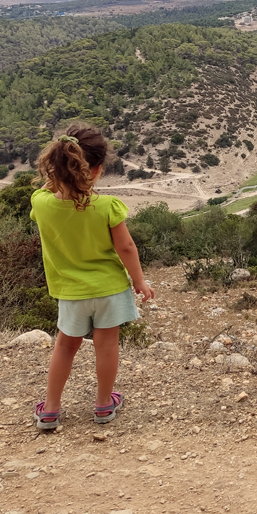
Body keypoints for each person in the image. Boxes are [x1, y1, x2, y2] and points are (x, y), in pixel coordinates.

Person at [30, 125, 155, 430]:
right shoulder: (106, 206)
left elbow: (45, 192)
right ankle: (102, 405)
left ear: (55, 167)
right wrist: (139, 281)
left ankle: (50, 409)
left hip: (71, 292)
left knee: (65, 346)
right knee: (107, 346)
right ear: (97, 170)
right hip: (109, 289)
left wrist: (56, 180)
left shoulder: (41, 204)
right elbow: (126, 247)